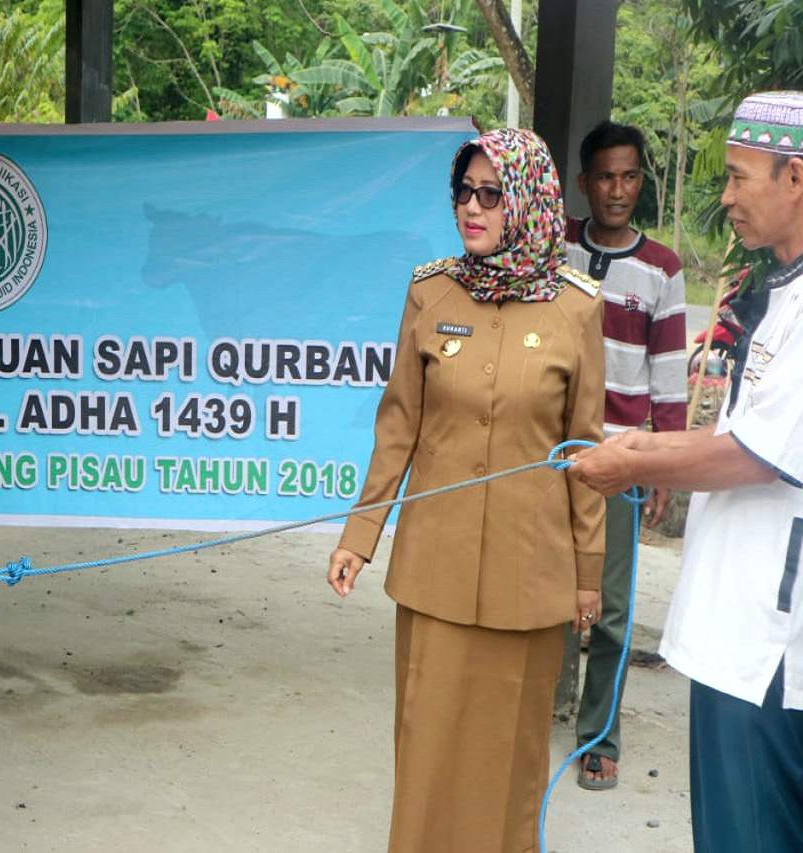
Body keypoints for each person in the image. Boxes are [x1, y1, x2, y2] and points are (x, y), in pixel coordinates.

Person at [327, 127, 606, 853]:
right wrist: (361, 537)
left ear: (528, 201)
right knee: (428, 749)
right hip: (437, 572)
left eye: (491, 194)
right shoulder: (430, 292)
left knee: (510, 761)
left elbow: (586, 454)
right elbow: (398, 428)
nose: (471, 209)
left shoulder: (576, 308)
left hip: (530, 576)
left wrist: (586, 578)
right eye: (463, 193)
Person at [571, 91, 803, 852]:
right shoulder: (771, 288)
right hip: (732, 629)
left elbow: (748, 453)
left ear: (794, 177)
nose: (727, 196)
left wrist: (633, 454)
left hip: (767, 650)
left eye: (740, 177)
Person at [566, 120, 687, 790]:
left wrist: (661, 460)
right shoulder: (555, 251)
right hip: (554, 453)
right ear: (584, 184)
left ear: (641, 180)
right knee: (549, 591)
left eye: (630, 175)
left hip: (620, 459)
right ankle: (546, 705)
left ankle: (600, 732)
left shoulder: (662, 269)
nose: (618, 189)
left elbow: (668, 373)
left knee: (610, 605)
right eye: (605, 177)